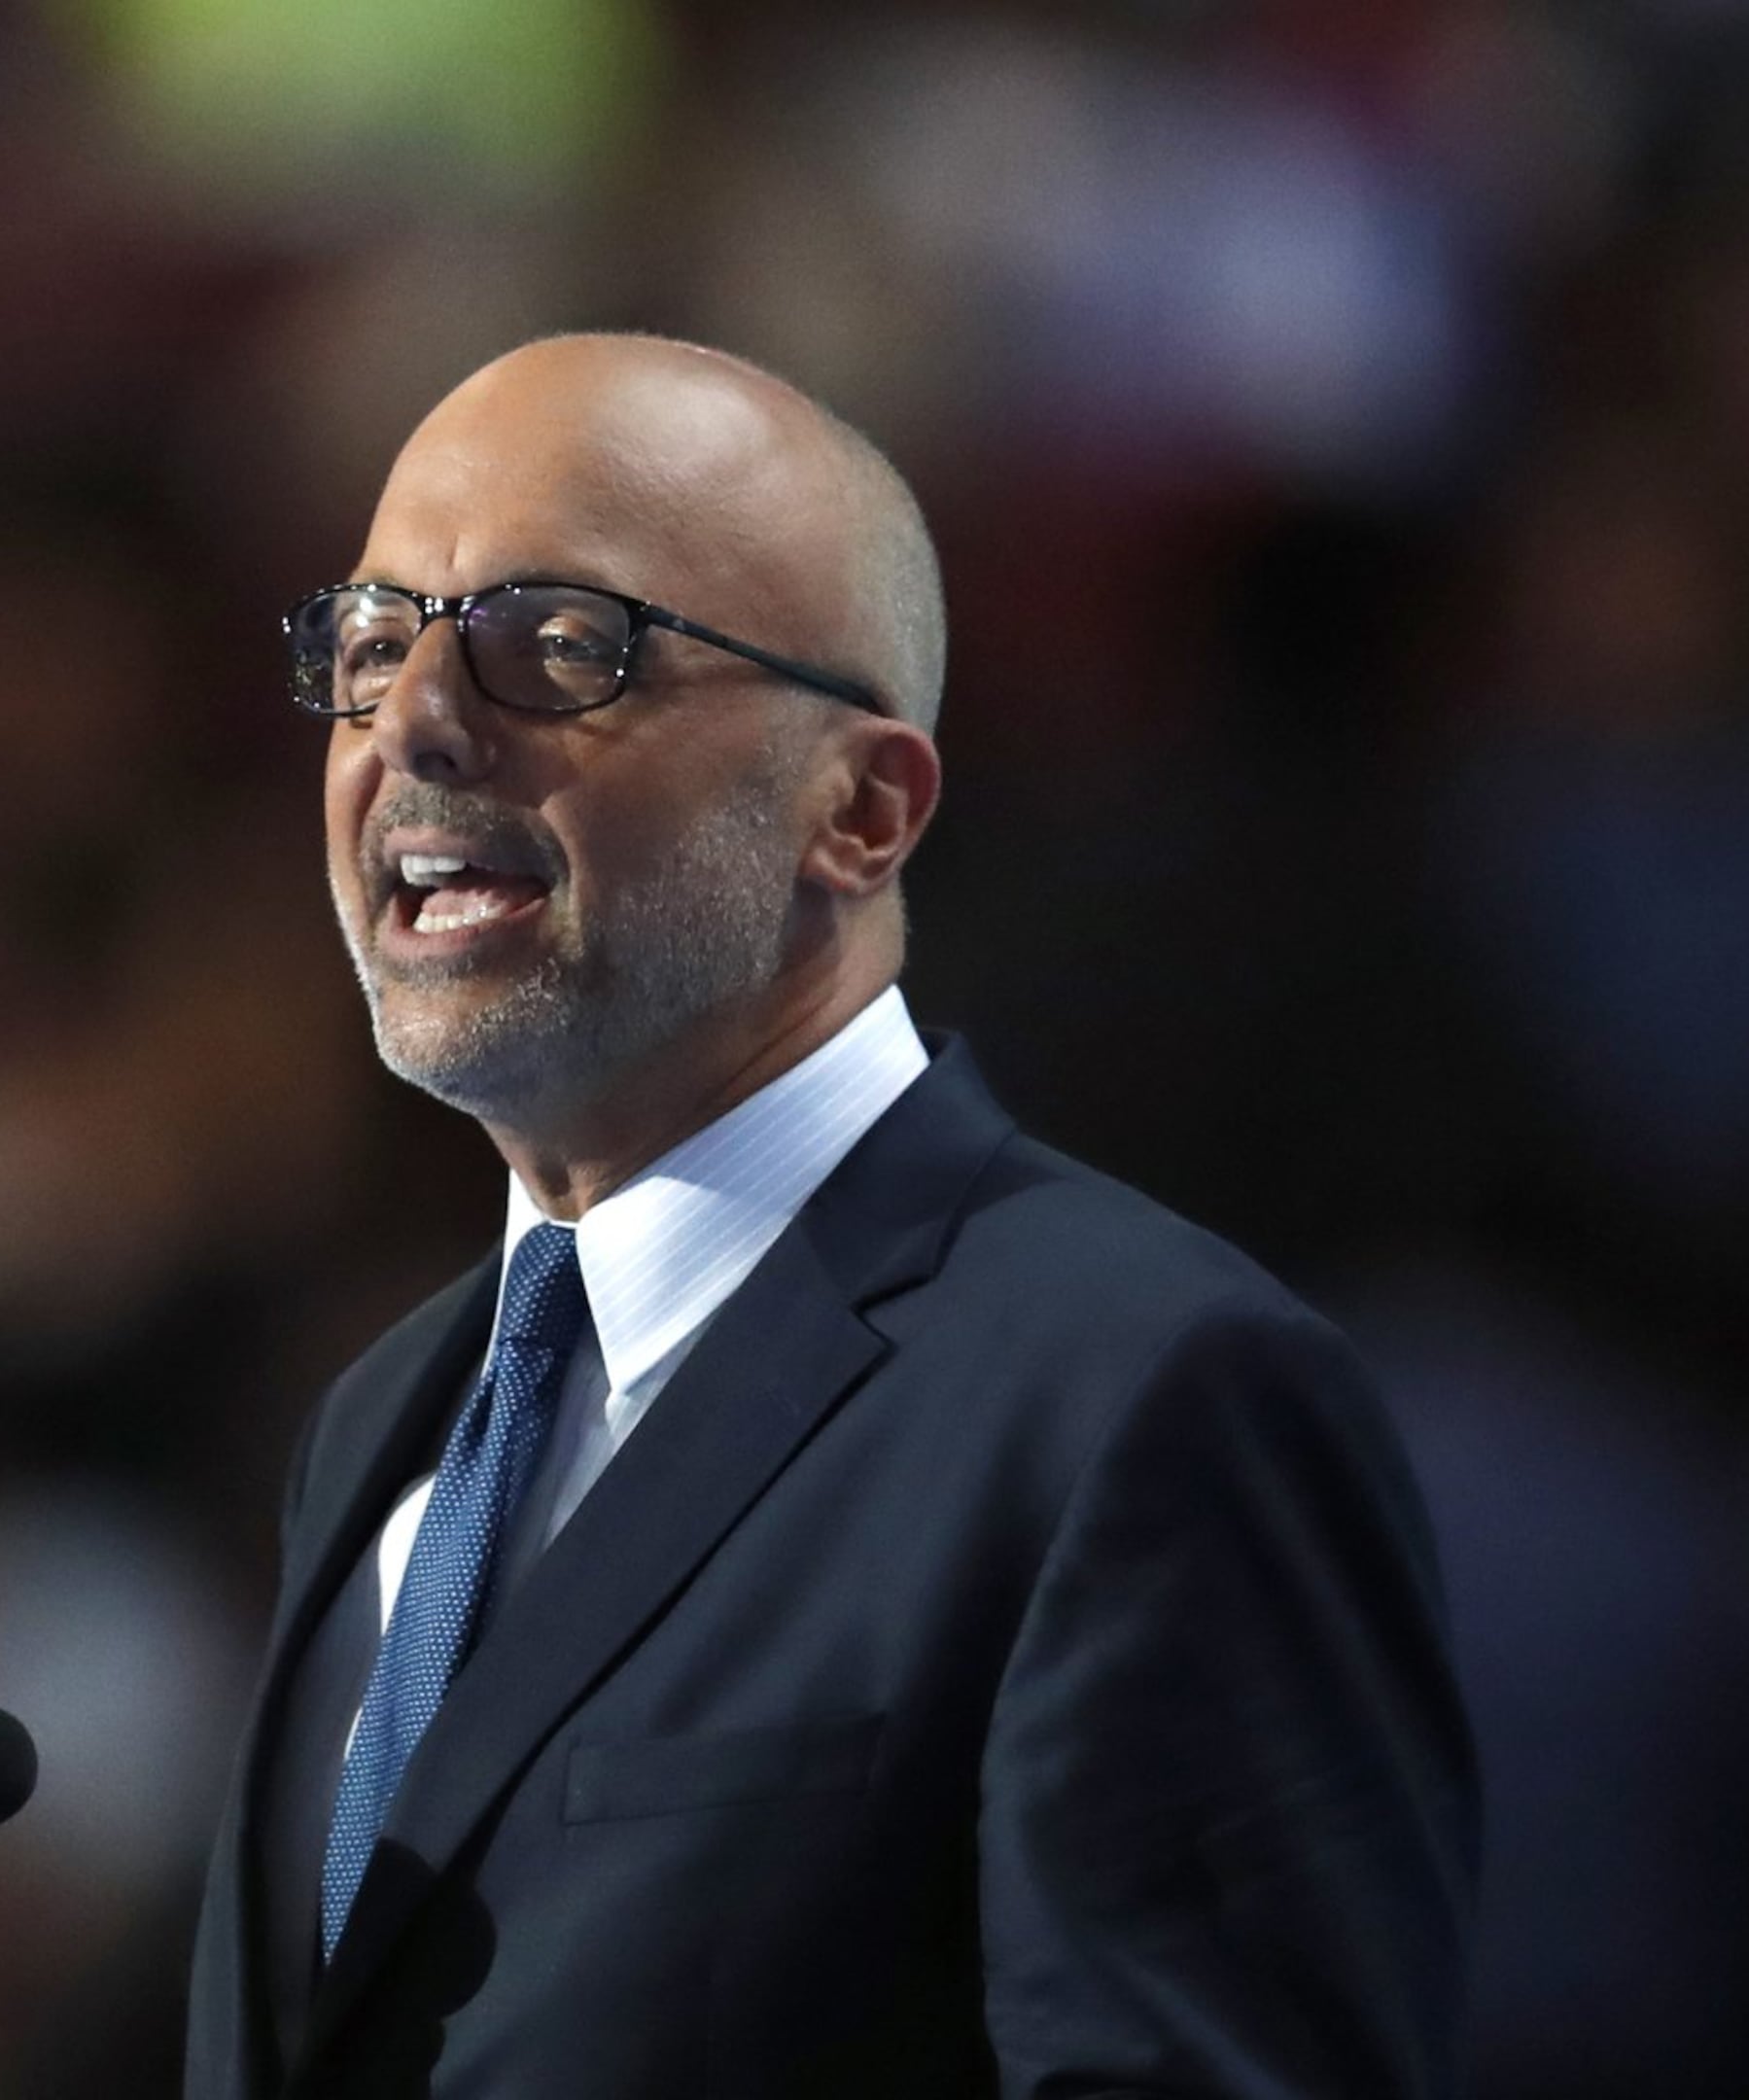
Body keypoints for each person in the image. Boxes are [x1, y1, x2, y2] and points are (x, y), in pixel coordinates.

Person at [184, 334, 1476, 2100]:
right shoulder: (380, 1428)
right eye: (371, 641)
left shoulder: (1138, 1398)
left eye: (559, 645)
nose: (412, 718)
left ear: (859, 812)